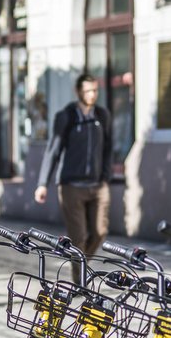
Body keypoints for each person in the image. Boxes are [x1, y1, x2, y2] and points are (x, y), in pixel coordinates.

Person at [34, 73, 113, 256]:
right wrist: (42, 184)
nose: (92, 95)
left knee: (100, 233)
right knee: (78, 239)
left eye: (94, 90)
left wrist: (105, 177)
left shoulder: (102, 116)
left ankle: (82, 271)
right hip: (71, 187)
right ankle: (80, 281)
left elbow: (108, 148)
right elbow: (53, 150)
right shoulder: (66, 117)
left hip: (98, 185)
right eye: (87, 91)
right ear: (78, 91)